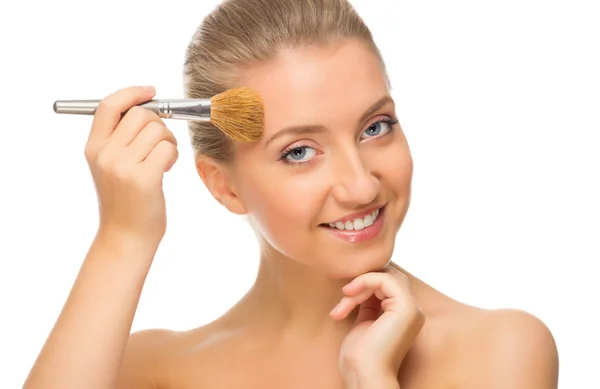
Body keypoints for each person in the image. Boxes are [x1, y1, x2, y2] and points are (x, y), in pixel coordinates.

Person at [23, 0, 559, 388]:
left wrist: (369, 379)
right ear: (224, 185)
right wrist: (123, 238)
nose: (362, 184)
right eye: (299, 151)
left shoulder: (499, 350)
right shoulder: (152, 369)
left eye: (375, 127)